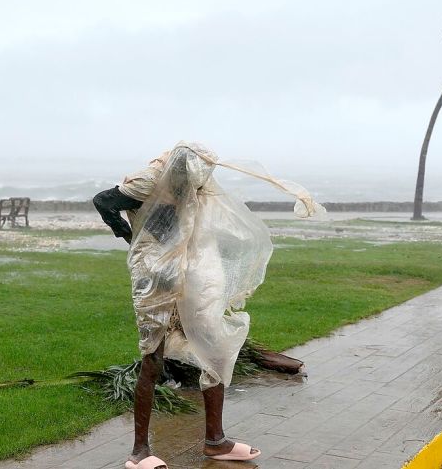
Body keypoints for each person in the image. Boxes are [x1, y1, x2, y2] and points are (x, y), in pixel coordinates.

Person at [94, 142, 324, 469]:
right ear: (179, 170)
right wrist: (133, 238)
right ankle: (139, 452)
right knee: (154, 357)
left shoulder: (198, 182)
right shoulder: (148, 182)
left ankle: (215, 441)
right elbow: (104, 201)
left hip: (189, 267)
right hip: (155, 274)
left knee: (213, 349)